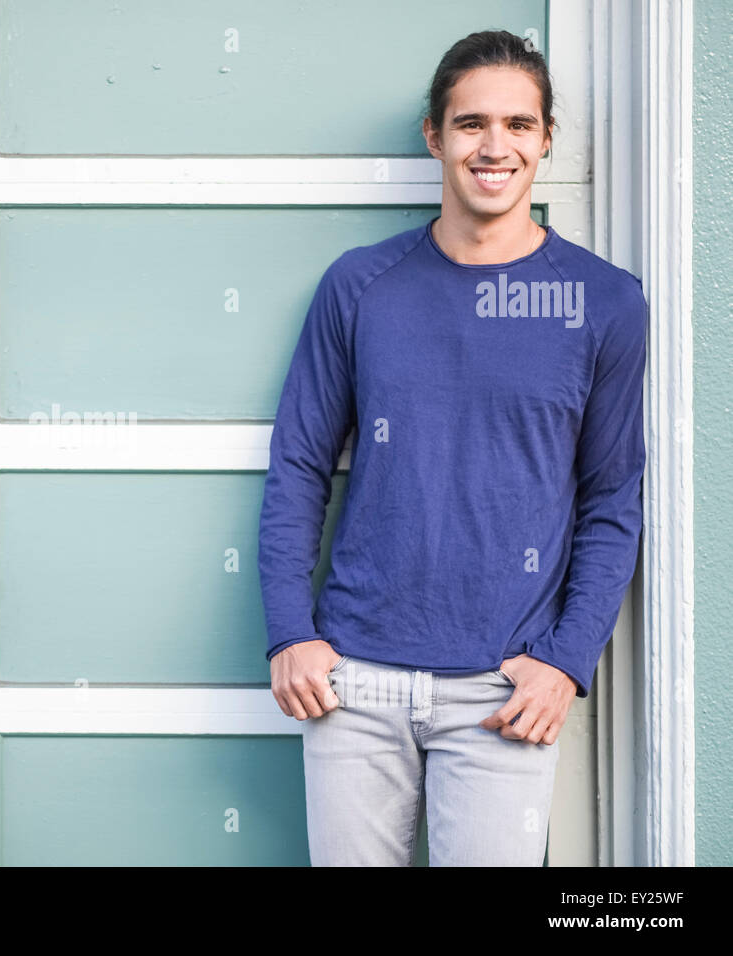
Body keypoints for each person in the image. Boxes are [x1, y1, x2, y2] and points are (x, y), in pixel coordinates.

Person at [257, 29, 647, 866]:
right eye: (471, 124)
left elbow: (613, 502)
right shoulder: (359, 286)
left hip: (504, 690)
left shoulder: (606, 303)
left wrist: (565, 663)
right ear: (436, 137)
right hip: (351, 685)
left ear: (546, 139)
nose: (494, 146)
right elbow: (298, 467)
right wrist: (291, 631)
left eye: (518, 124)